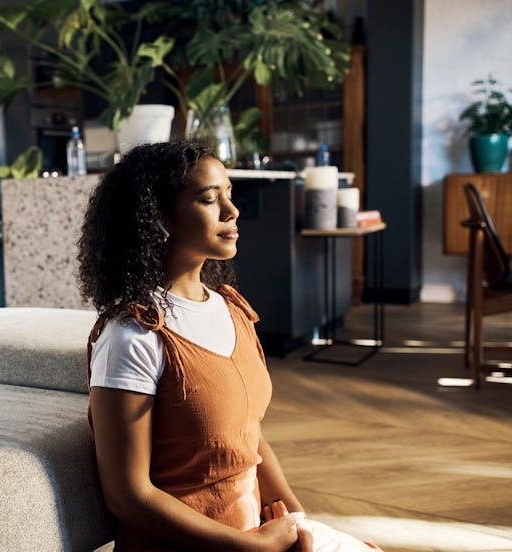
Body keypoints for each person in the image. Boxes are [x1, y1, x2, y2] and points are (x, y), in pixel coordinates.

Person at [77, 141, 381, 551]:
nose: (231, 211)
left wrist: (296, 521)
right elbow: (128, 496)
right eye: (208, 198)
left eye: (229, 194)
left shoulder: (229, 308)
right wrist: (255, 548)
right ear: (159, 218)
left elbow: (248, 435)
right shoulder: (132, 336)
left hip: (252, 531)